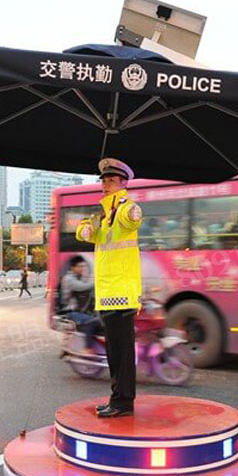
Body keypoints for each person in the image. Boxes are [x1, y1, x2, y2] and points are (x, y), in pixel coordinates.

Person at [76, 157, 143, 418]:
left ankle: (124, 402)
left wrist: (122, 208)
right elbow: (85, 233)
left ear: (124, 183)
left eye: (112, 180)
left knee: (122, 352)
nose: (105, 184)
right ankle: (117, 398)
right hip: (107, 293)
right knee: (114, 351)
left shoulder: (125, 209)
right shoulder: (104, 216)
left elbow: (132, 218)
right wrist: (87, 226)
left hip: (122, 294)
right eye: (104, 180)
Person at [60, 256, 101, 349]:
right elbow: (82, 287)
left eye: (83, 266)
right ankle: (87, 348)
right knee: (92, 322)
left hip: (79, 310)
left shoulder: (78, 277)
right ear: (72, 268)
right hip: (70, 312)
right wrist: (99, 282)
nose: (82, 268)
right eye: (79, 266)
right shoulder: (69, 279)